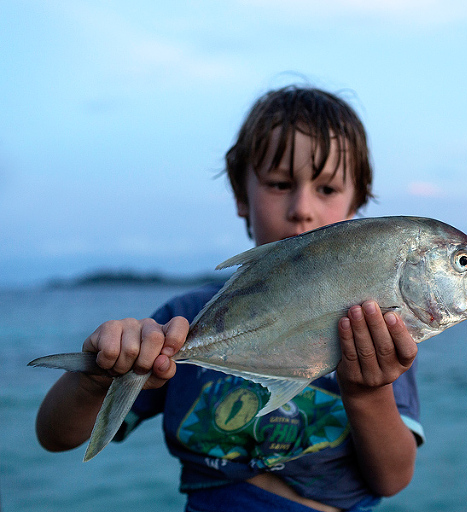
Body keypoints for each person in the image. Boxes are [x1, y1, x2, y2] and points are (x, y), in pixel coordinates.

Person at [35, 85, 423, 512]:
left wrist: (368, 393)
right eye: (279, 183)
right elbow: (56, 436)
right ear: (242, 196)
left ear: (357, 205)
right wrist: (96, 376)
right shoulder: (182, 321)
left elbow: (392, 479)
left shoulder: (374, 332)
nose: (302, 208)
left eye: (327, 189)